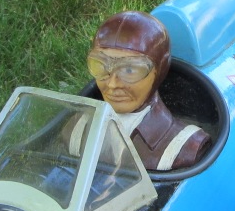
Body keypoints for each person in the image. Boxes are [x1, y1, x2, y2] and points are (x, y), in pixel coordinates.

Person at [85, 11, 211, 172]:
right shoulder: (79, 128)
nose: (112, 84)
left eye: (129, 70)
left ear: (159, 71)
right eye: (101, 65)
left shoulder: (183, 146)